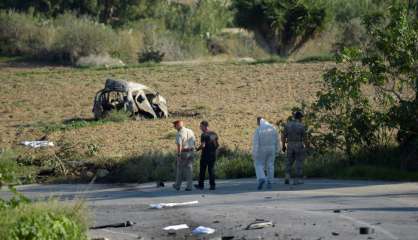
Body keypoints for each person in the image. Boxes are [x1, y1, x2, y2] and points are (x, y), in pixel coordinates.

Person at [252, 117, 280, 190]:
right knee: (270, 165)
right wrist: (278, 150)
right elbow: (277, 139)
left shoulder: (258, 129)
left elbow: (256, 143)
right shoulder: (273, 128)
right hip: (272, 149)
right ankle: (270, 182)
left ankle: (261, 178)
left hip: (262, 149)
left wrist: (254, 153)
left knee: (258, 164)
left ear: (259, 121)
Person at [282, 111, 306, 185]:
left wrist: (283, 145)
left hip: (290, 145)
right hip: (299, 144)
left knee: (289, 161)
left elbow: (283, 136)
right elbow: (305, 137)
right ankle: (297, 179)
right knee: (298, 162)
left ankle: (287, 176)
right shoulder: (301, 126)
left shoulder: (287, 125)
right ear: (300, 118)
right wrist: (307, 146)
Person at [195, 120, 219, 190]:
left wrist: (197, 149)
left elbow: (203, 145)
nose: (200, 128)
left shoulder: (204, 135)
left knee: (202, 170)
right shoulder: (214, 134)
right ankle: (212, 185)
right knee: (211, 170)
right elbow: (216, 145)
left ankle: (201, 185)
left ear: (205, 126)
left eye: (201, 126)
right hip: (213, 155)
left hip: (205, 155)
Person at [172, 120, 196, 191]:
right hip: (191, 151)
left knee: (180, 169)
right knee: (189, 169)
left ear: (178, 125)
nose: (174, 126)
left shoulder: (179, 133)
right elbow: (194, 141)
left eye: (175, 125)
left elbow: (179, 145)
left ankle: (177, 185)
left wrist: (179, 155)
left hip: (184, 152)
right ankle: (189, 186)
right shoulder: (190, 131)